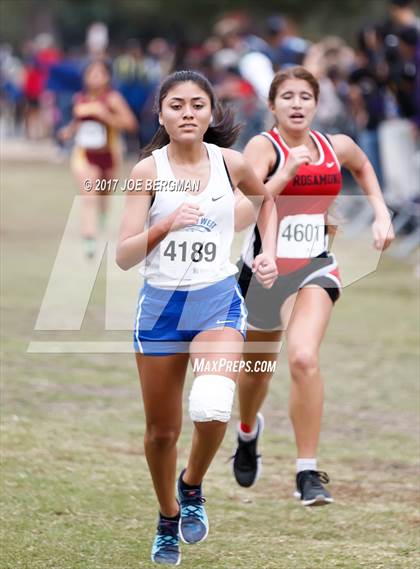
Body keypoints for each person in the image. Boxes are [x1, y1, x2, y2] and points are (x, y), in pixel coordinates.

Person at [116, 70, 277, 565]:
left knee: (211, 406)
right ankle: (167, 518)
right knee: (161, 432)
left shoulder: (230, 163)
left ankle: (192, 485)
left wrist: (266, 252)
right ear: (161, 114)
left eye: (197, 105)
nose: (188, 113)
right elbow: (123, 256)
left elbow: (268, 200)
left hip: (217, 301)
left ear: (212, 113)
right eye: (177, 105)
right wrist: (165, 223)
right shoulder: (148, 171)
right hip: (161, 308)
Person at [232, 66, 394, 506]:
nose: (297, 104)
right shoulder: (262, 147)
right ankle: (248, 431)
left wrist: (380, 212)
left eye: (305, 96)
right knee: (256, 372)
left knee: (303, 357)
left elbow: (363, 166)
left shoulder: (333, 146)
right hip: (264, 272)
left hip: (315, 266)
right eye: (287, 97)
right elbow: (247, 204)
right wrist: (286, 173)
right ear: (272, 106)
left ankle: (307, 473)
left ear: (316, 104)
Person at [59, 59, 138, 258]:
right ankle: (89, 239)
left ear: (108, 77)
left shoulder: (112, 99)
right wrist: (68, 132)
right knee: (89, 196)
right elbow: (79, 122)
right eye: (91, 73)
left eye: (100, 73)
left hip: (109, 155)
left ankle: (102, 216)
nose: (95, 77)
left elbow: (130, 124)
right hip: (84, 155)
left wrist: (106, 116)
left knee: (104, 195)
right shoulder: (80, 98)